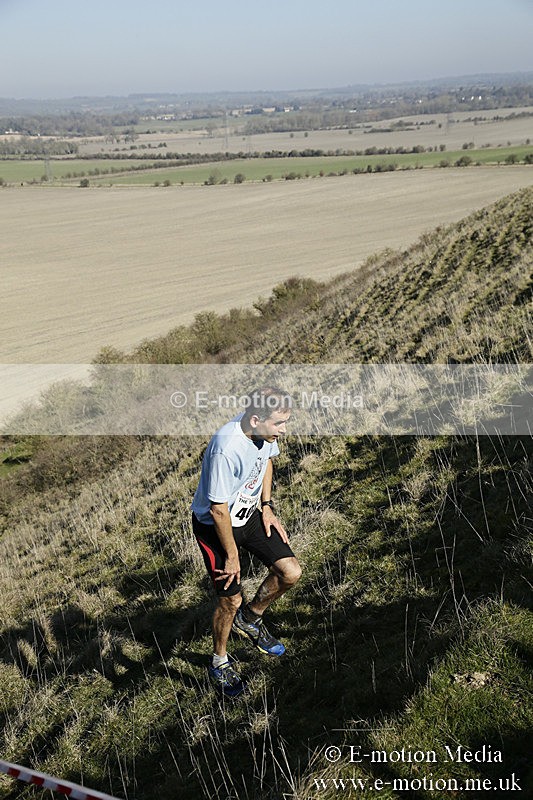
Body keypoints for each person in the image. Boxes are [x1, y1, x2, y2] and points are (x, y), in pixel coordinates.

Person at [191, 385, 302, 697]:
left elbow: (267, 461)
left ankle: (250, 618)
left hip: (250, 515)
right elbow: (217, 508)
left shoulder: (264, 436)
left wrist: (266, 506)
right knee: (230, 599)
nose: (284, 429)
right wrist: (231, 555)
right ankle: (219, 661)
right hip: (215, 526)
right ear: (255, 419)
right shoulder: (226, 447)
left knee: (290, 572)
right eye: (279, 423)